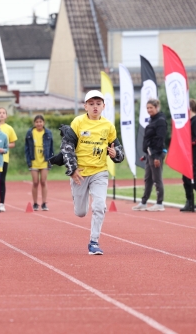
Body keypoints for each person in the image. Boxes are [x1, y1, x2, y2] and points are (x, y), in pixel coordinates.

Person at [61, 90, 124, 255]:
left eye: (98, 104)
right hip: (80, 172)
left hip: (100, 172)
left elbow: (118, 149)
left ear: (103, 106)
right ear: (85, 106)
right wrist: (72, 170)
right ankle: (79, 198)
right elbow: (67, 148)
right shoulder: (78, 122)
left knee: (99, 206)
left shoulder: (108, 126)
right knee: (81, 212)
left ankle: (94, 242)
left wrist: (116, 154)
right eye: (91, 104)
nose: (95, 107)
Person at [132, 98, 167, 212]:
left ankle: (160, 203)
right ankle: (143, 202)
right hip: (149, 154)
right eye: (147, 108)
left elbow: (159, 139)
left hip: (156, 154)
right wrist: (146, 154)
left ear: (157, 107)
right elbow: (149, 139)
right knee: (148, 179)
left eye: (151, 107)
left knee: (157, 179)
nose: (149, 110)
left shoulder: (160, 121)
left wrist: (156, 157)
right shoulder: (152, 120)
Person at [0, 107, 17, 212]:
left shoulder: (9, 128)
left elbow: (13, 143)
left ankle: (1, 203)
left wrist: (4, 147)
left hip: (3, 158)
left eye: (3, 113)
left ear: (6, 115)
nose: (1, 114)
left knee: (2, 181)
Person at [24, 115, 54, 211]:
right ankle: (35, 203)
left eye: (40, 122)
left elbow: (51, 148)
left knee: (43, 182)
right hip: (34, 160)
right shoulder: (30, 133)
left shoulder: (48, 133)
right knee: (35, 182)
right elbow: (27, 148)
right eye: (37, 122)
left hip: (45, 160)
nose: (39, 123)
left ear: (43, 122)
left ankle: (44, 203)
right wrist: (28, 160)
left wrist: (51, 160)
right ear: (34, 123)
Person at [180, 98, 196, 212]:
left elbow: (195, 138)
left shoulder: (195, 120)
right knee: (185, 178)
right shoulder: (188, 122)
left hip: (194, 155)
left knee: (195, 178)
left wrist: (189, 143)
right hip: (187, 155)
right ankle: (189, 202)